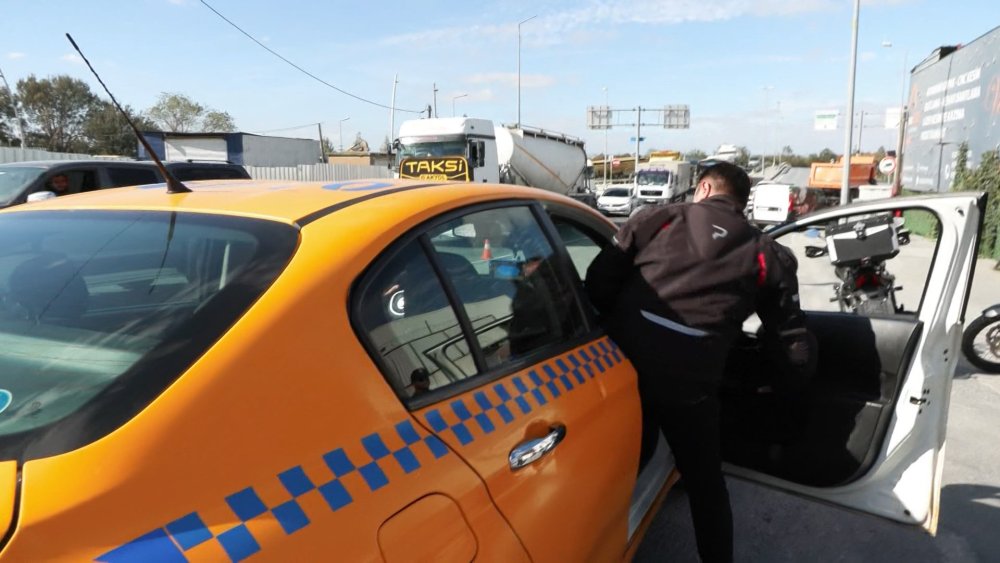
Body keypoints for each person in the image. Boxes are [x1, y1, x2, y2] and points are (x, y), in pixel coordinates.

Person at [585, 161, 814, 563]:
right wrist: (785, 388)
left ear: (704, 189)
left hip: (619, 373)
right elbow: (791, 342)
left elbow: (598, 284)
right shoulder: (767, 254)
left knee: (617, 463)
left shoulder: (656, 219)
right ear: (741, 203)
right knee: (708, 488)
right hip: (689, 390)